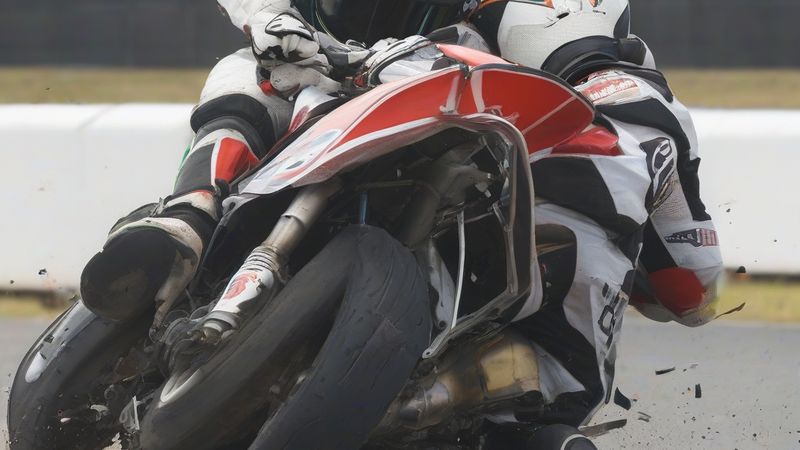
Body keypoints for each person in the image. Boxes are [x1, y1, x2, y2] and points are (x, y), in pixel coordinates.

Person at [80, 0, 724, 446]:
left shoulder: (593, 74)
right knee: (250, 74)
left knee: (622, 149)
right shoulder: (647, 108)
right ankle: (191, 215)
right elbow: (692, 290)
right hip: (356, 103)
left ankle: (189, 213)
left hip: (486, 162)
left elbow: (689, 284)